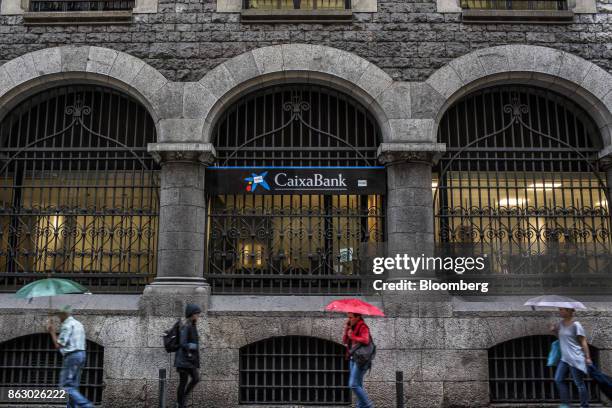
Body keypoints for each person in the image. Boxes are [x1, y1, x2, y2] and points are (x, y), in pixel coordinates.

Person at [46, 305, 93, 408]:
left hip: (72, 356)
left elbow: (59, 344)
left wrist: (52, 332)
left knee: (66, 386)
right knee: (73, 386)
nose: (59, 318)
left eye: (60, 315)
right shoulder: (79, 324)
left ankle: (87, 405)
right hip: (81, 354)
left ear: (64, 314)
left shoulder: (67, 325)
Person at [550, 307, 592, 408]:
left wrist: (588, 357)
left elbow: (583, 341)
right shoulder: (560, 324)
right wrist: (554, 331)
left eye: (562, 309)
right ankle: (565, 404)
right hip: (564, 358)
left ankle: (584, 405)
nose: (559, 311)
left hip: (575, 358)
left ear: (569, 311)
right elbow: (562, 338)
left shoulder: (576, 325)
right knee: (558, 379)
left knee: (579, 383)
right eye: (559, 309)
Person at [343, 312, 374, 408]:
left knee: (353, 384)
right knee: (358, 385)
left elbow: (366, 340)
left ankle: (369, 405)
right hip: (353, 357)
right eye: (348, 317)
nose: (349, 319)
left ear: (358, 317)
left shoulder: (363, 326)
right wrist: (346, 331)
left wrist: (353, 336)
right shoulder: (350, 326)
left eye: (351, 317)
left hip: (361, 359)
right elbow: (344, 341)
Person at [175, 303, 202, 408]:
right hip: (184, 360)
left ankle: (181, 401)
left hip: (188, 360)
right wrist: (193, 346)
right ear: (192, 314)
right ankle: (180, 403)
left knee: (194, 379)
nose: (198, 316)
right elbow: (182, 342)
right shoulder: (187, 325)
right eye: (197, 313)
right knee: (185, 381)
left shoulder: (192, 325)